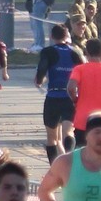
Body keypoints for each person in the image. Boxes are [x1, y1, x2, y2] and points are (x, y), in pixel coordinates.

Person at [34, 24, 81, 160]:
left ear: (51, 36)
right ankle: (70, 158)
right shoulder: (75, 52)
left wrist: (38, 80)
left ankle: (54, 168)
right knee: (68, 131)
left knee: (52, 137)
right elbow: (82, 69)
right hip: (70, 97)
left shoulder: (48, 51)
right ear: (67, 36)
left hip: (53, 96)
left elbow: (42, 68)